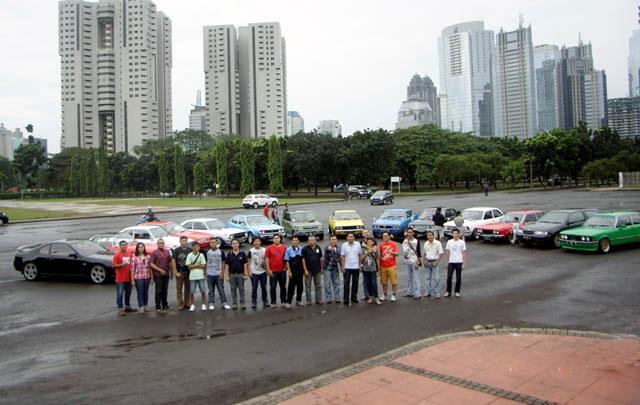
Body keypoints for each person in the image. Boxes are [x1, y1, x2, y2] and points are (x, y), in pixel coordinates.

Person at [206, 238, 230, 310]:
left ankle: (224, 303)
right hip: (210, 274)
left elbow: (223, 263)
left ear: (217, 243)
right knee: (210, 290)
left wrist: (222, 273)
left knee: (221, 289)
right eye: (211, 243)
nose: (213, 244)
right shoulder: (207, 252)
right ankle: (211, 303)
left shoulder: (220, 252)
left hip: (218, 274)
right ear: (210, 244)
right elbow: (206, 263)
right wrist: (206, 273)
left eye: (214, 242)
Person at [225, 239, 249, 309]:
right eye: (233, 244)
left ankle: (243, 303)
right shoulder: (229, 254)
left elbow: (245, 264)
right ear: (231, 245)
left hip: (240, 274)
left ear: (238, 244)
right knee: (233, 289)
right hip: (232, 275)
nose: (235, 245)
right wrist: (227, 275)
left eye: (236, 243)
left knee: (241, 289)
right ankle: (234, 303)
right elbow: (227, 265)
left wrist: (245, 274)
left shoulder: (242, 253)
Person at [149, 239, 172, 312]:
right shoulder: (154, 253)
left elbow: (170, 262)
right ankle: (158, 305)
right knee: (158, 290)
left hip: (166, 274)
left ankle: (165, 304)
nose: (161, 244)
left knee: (165, 290)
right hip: (158, 274)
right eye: (160, 243)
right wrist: (160, 270)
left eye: (162, 243)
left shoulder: (167, 252)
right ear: (157, 244)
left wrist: (171, 271)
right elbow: (151, 264)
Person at [266, 234, 288, 308]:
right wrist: (268, 270)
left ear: (280, 239)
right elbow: (267, 259)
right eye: (275, 238)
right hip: (273, 271)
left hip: (282, 271)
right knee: (273, 287)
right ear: (273, 239)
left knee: (283, 287)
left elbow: (286, 258)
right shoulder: (269, 248)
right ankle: (273, 302)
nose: (276, 239)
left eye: (277, 238)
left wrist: (286, 267)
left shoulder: (284, 247)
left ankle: (283, 301)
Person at [340, 233, 362, 305]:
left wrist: (360, 265)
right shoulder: (344, 245)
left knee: (355, 283)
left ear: (354, 238)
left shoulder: (358, 244)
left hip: (356, 267)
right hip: (347, 267)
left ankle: (354, 297)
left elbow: (359, 255)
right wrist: (342, 267)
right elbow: (342, 257)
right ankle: (346, 298)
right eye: (349, 237)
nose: (350, 238)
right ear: (347, 238)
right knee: (346, 283)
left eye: (352, 237)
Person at [130, 242, 152, 313]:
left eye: (142, 247)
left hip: (147, 276)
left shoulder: (148, 257)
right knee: (140, 292)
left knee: (146, 292)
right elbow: (132, 269)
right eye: (139, 247)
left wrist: (152, 278)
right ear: (137, 248)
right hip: (138, 277)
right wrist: (132, 280)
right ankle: (141, 306)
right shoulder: (134, 258)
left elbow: (150, 268)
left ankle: (146, 305)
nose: (141, 248)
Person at [113, 240, 133, 316]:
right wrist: (122, 265)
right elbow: (114, 265)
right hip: (120, 278)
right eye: (122, 245)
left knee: (128, 293)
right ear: (120, 246)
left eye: (125, 245)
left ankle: (127, 306)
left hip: (128, 277)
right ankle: (120, 308)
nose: (124, 246)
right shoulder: (117, 255)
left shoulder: (129, 253)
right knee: (120, 294)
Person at [171, 236, 192, 310]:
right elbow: (173, 261)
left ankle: (187, 303)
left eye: (185, 241)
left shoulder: (190, 250)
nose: (184, 242)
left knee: (188, 289)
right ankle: (180, 304)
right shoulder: (176, 250)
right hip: (180, 272)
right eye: (183, 241)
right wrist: (176, 272)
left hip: (188, 272)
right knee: (179, 289)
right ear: (180, 242)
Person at [445, 229, 467, 298]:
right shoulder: (449, 242)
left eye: (456, 233)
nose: (455, 235)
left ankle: (457, 291)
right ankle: (448, 291)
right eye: (454, 233)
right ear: (452, 234)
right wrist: (447, 262)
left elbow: (463, 253)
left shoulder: (462, 242)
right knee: (449, 277)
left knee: (458, 277)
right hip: (451, 261)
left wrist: (464, 263)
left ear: (458, 234)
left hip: (459, 261)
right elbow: (448, 252)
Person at [186, 241, 207, 312]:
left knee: (203, 290)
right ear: (192, 247)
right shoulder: (189, 255)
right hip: (192, 276)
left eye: (198, 246)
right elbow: (189, 266)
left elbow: (203, 265)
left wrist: (194, 265)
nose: (198, 248)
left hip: (200, 275)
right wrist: (198, 265)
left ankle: (203, 304)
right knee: (192, 291)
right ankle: (192, 304)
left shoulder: (201, 255)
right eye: (196, 246)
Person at [248, 238, 268, 309]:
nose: (257, 242)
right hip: (254, 272)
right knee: (254, 288)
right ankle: (254, 302)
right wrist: (249, 271)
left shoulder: (264, 250)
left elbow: (266, 260)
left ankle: (265, 301)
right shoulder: (251, 251)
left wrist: (267, 270)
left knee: (264, 287)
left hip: (263, 272)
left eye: (258, 241)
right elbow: (249, 262)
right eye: (255, 241)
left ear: (260, 242)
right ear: (253, 243)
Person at [302, 235, 323, 305]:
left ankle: (318, 299)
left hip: (317, 270)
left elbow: (320, 258)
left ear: (315, 241)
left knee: (318, 285)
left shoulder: (318, 248)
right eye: (310, 240)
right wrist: (305, 270)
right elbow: (303, 260)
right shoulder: (305, 249)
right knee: (308, 285)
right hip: (308, 270)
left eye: (313, 240)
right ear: (308, 241)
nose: (311, 241)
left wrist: (321, 268)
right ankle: (309, 300)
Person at [379, 231, 399, 302]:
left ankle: (394, 295)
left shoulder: (393, 244)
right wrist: (379, 266)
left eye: (386, 236)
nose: (385, 237)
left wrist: (392, 252)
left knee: (394, 282)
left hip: (392, 265)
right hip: (383, 266)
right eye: (384, 236)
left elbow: (397, 253)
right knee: (384, 282)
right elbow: (381, 255)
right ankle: (385, 294)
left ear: (389, 236)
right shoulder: (381, 245)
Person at [285, 236, 305, 308]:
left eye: (296, 240)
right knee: (291, 287)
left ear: (298, 241)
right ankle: (289, 302)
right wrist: (289, 272)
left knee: (300, 287)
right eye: (294, 240)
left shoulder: (301, 249)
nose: (295, 241)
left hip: (300, 271)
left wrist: (304, 270)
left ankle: (299, 300)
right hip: (293, 271)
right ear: (292, 241)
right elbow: (287, 261)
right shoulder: (288, 250)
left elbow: (303, 260)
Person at [423, 231, 443, 299]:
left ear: (433, 236)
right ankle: (428, 292)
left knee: (437, 277)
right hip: (428, 261)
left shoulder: (437, 243)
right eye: (428, 235)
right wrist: (424, 260)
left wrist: (437, 262)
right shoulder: (426, 243)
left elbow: (441, 253)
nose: (429, 236)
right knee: (427, 278)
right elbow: (425, 253)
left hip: (435, 261)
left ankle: (437, 292)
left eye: (431, 235)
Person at [402, 229, 422, 299]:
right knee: (410, 278)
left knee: (416, 278)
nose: (409, 234)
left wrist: (417, 262)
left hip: (414, 261)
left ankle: (418, 293)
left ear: (413, 233)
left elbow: (419, 252)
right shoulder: (405, 241)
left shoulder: (416, 241)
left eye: (411, 232)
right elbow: (397, 239)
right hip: (408, 261)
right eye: (408, 232)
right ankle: (410, 292)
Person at [361, 238, 381, 305]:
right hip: (366, 269)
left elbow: (377, 259)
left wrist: (378, 270)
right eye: (368, 242)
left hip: (373, 269)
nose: (369, 243)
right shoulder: (363, 250)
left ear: (373, 242)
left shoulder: (375, 248)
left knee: (374, 283)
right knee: (368, 283)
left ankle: (376, 297)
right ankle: (370, 297)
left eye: (370, 242)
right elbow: (361, 258)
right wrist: (367, 253)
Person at [323, 235, 341, 304]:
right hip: (327, 268)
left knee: (336, 283)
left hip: (335, 267)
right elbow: (326, 254)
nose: (333, 241)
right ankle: (328, 298)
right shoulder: (327, 247)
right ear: (330, 240)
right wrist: (329, 250)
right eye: (332, 239)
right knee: (327, 284)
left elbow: (340, 258)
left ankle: (337, 297)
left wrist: (342, 266)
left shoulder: (338, 248)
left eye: (335, 239)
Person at [360, 229, 372, 301]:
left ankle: (372, 295)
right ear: (362, 235)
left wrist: (366, 246)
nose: (366, 234)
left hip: (372, 263)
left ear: (369, 233)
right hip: (365, 263)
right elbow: (360, 254)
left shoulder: (373, 241)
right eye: (364, 233)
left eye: (367, 233)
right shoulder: (361, 242)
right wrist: (361, 265)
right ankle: (366, 295)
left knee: (372, 281)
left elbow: (374, 250)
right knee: (365, 281)